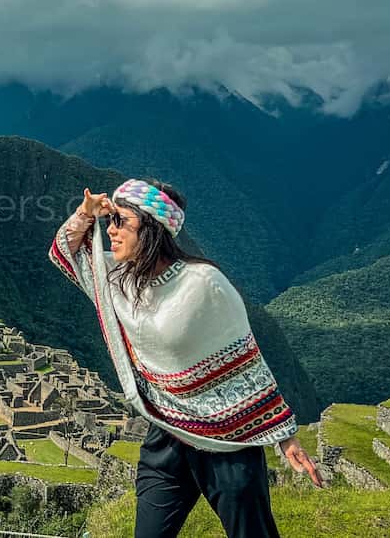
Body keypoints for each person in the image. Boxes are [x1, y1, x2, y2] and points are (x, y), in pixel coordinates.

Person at [49, 178, 321, 538]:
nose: (111, 230)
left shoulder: (204, 284)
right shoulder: (118, 280)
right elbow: (64, 252)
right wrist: (86, 213)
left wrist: (284, 436)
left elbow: (248, 364)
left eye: (121, 221)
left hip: (225, 438)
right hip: (166, 434)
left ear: (151, 229)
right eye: (110, 220)